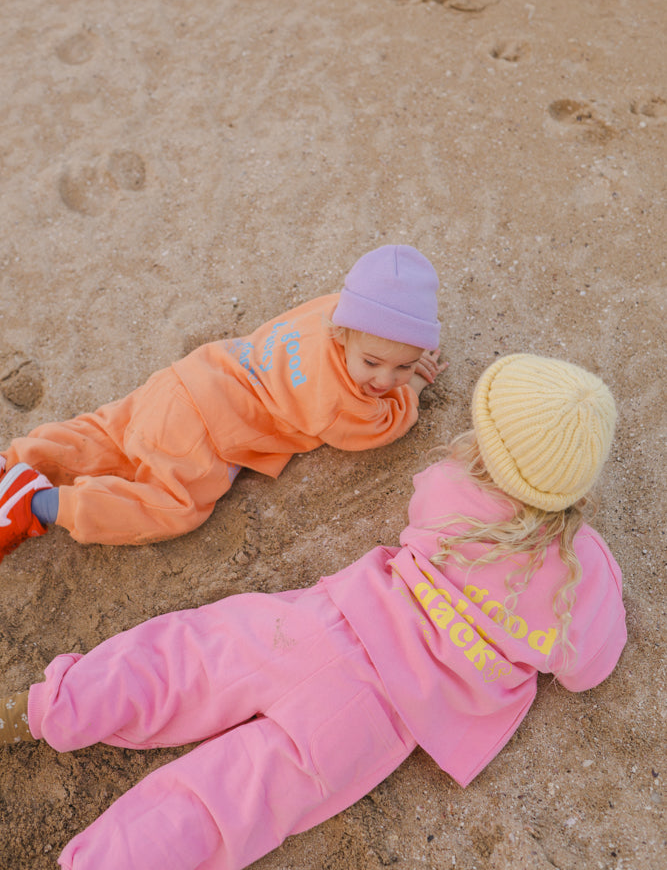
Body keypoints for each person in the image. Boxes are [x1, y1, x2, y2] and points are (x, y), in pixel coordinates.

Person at [0, 353, 626, 870]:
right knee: (233, 800)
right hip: (376, 720)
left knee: (190, 658)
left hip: (318, 624)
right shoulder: (586, 579)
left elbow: (427, 510)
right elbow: (586, 671)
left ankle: (58, 703)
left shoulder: (454, 489)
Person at [0, 244, 445, 558]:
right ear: (345, 333)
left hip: (188, 377)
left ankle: (16, 462)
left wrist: (391, 353)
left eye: (403, 366)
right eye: (372, 363)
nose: (384, 380)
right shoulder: (336, 398)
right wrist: (413, 389)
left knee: (103, 436)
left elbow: (379, 333)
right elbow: (381, 428)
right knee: (172, 505)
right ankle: (37, 505)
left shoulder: (329, 312)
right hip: (204, 431)